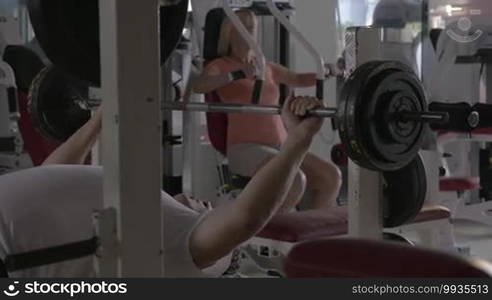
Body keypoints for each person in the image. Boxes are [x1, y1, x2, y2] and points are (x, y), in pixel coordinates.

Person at [0, 96, 325, 278]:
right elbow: (54, 173)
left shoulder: (167, 240)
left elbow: (244, 219)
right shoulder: (142, 207)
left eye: (208, 210)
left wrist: (298, 141)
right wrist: (97, 121)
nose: (205, 203)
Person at [193, 9, 342, 211]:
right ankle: (272, 232)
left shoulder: (265, 66)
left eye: (251, 27)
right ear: (229, 32)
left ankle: (313, 234)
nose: (247, 32)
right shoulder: (221, 65)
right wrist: (235, 74)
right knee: (294, 180)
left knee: (330, 176)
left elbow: (297, 79)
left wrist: (324, 71)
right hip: (245, 148)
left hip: (280, 146)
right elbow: (200, 85)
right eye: (241, 27)